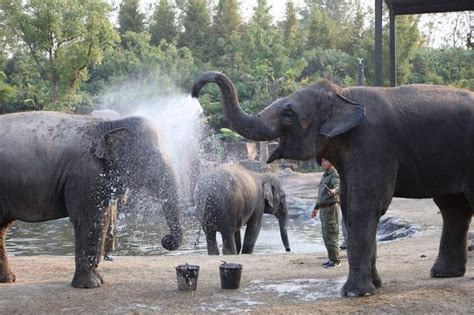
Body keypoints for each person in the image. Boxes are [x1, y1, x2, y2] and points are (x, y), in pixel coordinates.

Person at [311, 158, 341, 268]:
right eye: (322, 161)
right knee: (326, 235)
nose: (323, 163)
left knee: (331, 234)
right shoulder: (325, 175)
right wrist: (316, 208)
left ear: (331, 162)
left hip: (330, 208)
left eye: (326, 161)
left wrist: (334, 191)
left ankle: (336, 261)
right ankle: (331, 258)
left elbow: (337, 185)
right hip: (323, 209)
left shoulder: (334, 174)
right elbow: (321, 195)